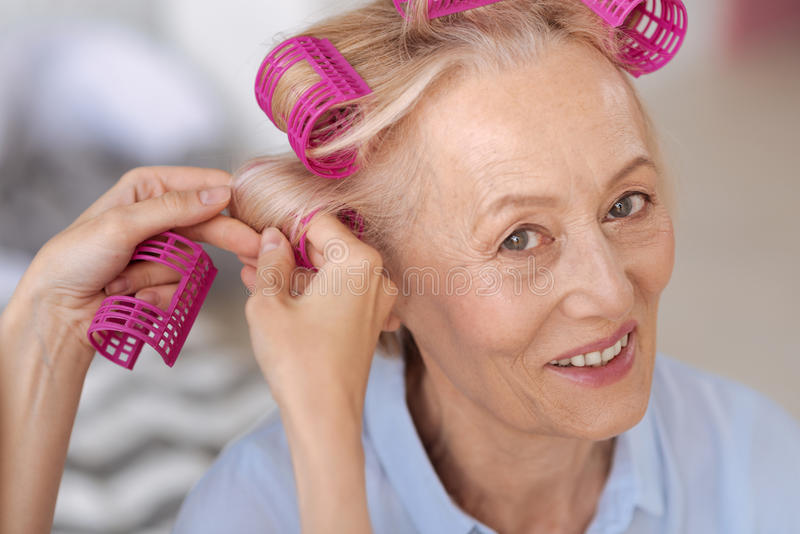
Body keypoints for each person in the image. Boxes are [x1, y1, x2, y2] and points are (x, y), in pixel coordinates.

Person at [1, 2, 798, 534]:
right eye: (520, 238)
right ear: (377, 287)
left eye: (627, 204)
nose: (611, 290)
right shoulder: (254, 509)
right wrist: (323, 424)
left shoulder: (756, 465)